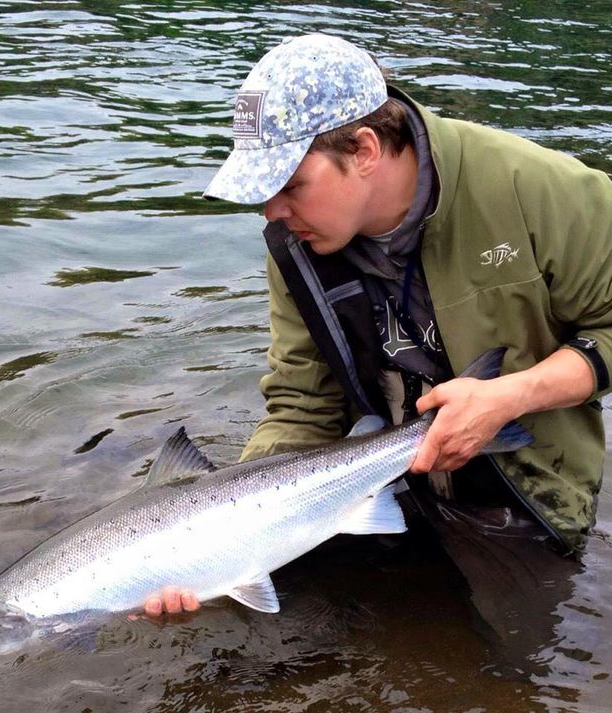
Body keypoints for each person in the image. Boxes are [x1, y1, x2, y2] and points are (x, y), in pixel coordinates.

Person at [143, 32, 612, 618]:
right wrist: (214, 540)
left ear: (365, 150)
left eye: (288, 185)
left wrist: (511, 395)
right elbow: (300, 404)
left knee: (510, 669)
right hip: (360, 480)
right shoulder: (295, 243)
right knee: (247, 646)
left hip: (525, 492)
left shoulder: (545, 192)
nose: (272, 212)